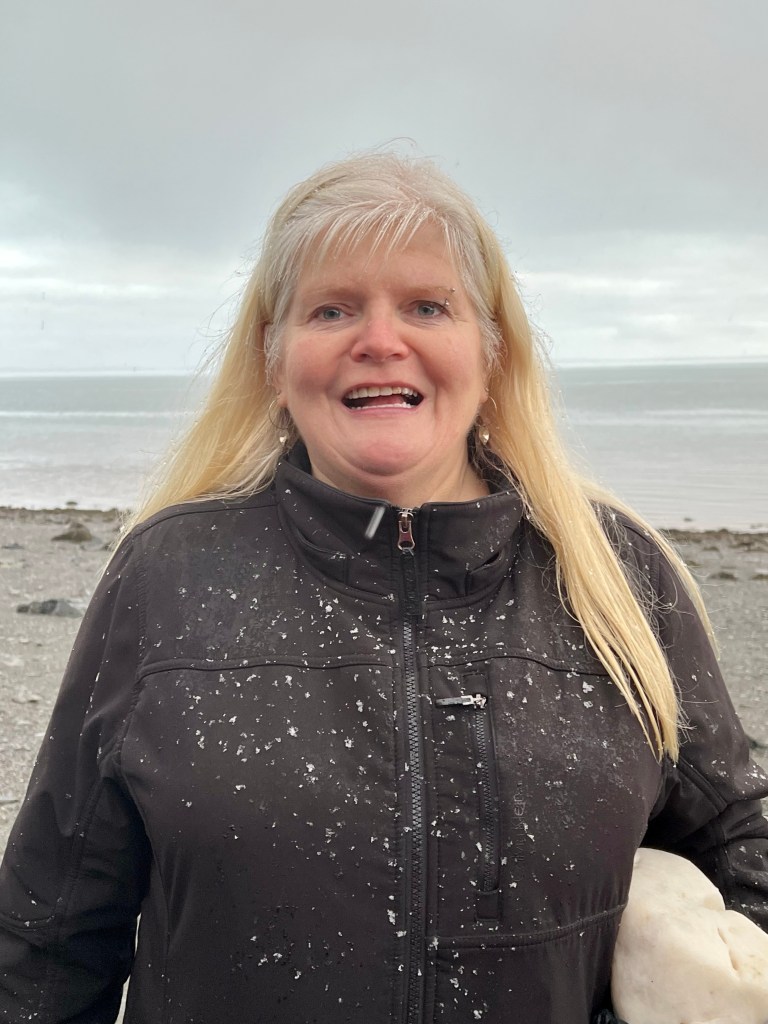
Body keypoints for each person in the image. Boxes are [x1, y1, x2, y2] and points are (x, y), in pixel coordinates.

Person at [0, 152, 766, 1024]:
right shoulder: (168, 574)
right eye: (332, 309)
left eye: (427, 306)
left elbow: (742, 850)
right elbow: (48, 940)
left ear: (492, 349)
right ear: (274, 359)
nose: (379, 339)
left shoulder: (615, 573)